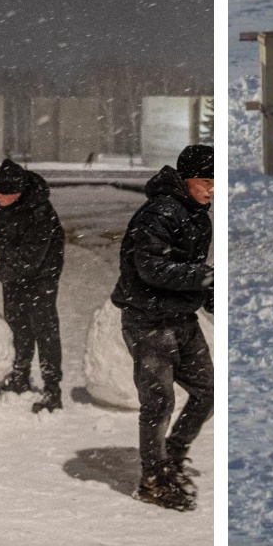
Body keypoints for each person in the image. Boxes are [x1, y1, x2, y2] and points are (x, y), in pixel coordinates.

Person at [111, 144, 214, 511]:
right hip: (148, 320)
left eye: (217, 181)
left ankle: (171, 455)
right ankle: (153, 477)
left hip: (181, 317)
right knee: (158, 402)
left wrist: (212, 296)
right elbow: (151, 268)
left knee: (207, 391)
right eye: (206, 181)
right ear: (187, 180)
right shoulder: (159, 213)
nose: (213, 188)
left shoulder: (196, 211)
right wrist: (203, 278)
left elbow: (192, 271)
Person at [0, 158, 65, 413]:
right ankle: (19, 376)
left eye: (6, 197)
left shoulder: (39, 211)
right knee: (16, 318)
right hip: (11, 256)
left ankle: (52, 389)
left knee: (43, 323)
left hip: (43, 266)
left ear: (19, 193)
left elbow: (30, 261)